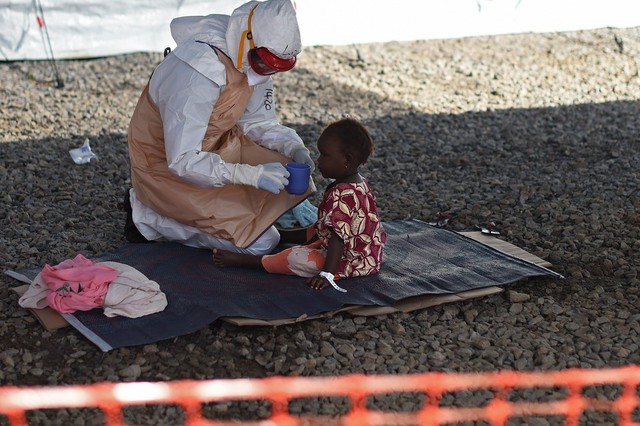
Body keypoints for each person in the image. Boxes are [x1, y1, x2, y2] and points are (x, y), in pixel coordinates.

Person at [124, 0, 315, 255]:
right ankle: (147, 217)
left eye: (275, 68)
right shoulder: (197, 72)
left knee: (289, 170)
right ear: (248, 41)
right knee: (262, 243)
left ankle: (228, 213)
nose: (267, 73)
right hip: (166, 168)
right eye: (265, 64)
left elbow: (258, 123)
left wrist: (295, 148)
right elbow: (182, 160)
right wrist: (250, 175)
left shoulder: (251, 56)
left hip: (217, 147)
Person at [213, 118, 387, 291]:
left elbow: (338, 239)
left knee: (295, 257)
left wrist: (327, 275)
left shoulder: (341, 194)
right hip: (370, 254)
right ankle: (283, 236)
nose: (318, 160)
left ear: (346, 160)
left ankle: (248, 261)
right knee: (320, 227)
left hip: (351, 261)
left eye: (324, 155)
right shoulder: (359, 183)